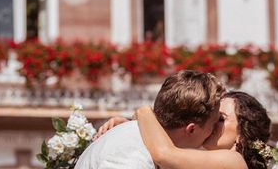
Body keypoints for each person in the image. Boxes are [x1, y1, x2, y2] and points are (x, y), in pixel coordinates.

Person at [74, 70, 225, 169]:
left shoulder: (138, 139)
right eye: (214, 124)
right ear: (191, 129)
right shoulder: (133, 157)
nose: (215, 130)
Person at [97, 91, 271, 169]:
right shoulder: (194, 154)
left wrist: (144, 112)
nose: (210, 122)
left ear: (241, 137)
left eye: (220, 119)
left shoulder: (233, 161)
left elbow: (164, 154)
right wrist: (130, 124)